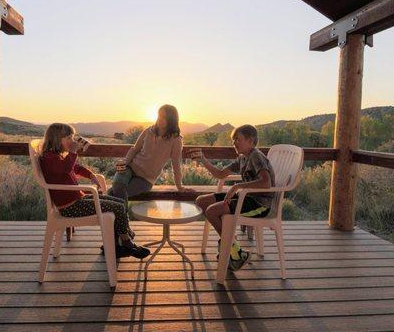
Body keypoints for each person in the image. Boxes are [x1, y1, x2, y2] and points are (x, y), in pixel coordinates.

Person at [38, 123, 150, 259]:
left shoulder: (56, 156)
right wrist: (73, 152)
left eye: (72, 137)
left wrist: (91, 175)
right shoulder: (49, 158)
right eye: (68, 138)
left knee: (119, 203)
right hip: (70, 207)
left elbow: (75, 168)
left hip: (77, 200)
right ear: (56, 139)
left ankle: (118, 243)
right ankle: (127, 244)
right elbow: (66, 168)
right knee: (118, 208)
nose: (72, 141)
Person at [191, 124, 275, 271]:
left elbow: (266, 183)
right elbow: (220, 174)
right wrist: (203, 159)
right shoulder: (242, 158)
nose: (234, 143)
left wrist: (237, 187)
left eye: (238, 139)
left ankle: (234, 253)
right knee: (201, 201)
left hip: (259, 204)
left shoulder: (256, 156)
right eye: (233, 139)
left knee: (212, 211)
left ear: (250, 141)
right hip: (245, 198)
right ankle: (233, 247)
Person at [108, 105, 193, 213]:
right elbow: (135, 149)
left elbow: (176, 164)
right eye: (159, 116)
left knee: (112, 193)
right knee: (117, 186)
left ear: (171, 120)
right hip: (130, 168)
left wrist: (179, 186)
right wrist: (125, 162)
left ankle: (116, 221)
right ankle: (122, 222)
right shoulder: (148, 131)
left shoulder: (176, 140)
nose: (160, 119)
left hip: (146, 179)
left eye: (164, 117)